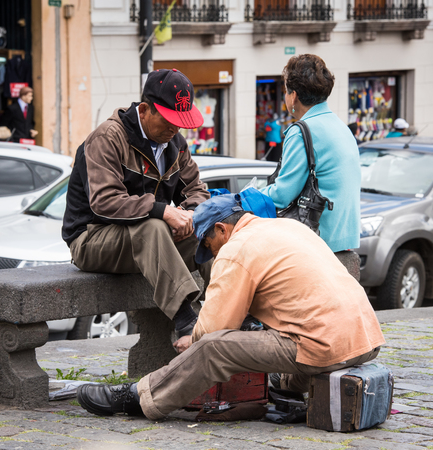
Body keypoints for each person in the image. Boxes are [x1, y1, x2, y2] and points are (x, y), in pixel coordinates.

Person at [76, 194, 385, 421]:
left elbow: (214, 329)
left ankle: (139, 398)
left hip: (322, 346)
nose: (210, 253)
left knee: (213, 348)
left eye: (208, 244)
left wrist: (193, 340)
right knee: (287, 354)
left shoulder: (237, 247)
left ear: (222, 230)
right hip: (366, 339)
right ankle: (284, 389)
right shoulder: (290, 229)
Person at [62, 68, 212, 338]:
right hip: (91, 238)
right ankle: (186, 319)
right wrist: (163, 211)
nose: (175, 128)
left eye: (180, 121)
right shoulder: (107, 137)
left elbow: (197, 189)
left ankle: (230, 306)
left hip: (149, 242)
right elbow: (105, 202)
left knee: (211, 229)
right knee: (152, 227)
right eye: (168, 120)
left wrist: (189, 214)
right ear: (144, 110)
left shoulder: (176, 143)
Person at [261, 55, 361, 253]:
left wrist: (249, 196)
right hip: (345, 238)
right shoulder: (341, 127)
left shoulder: (301, 131)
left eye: (285, 91)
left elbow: (282, 195)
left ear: (294, 96)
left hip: (319, 239)